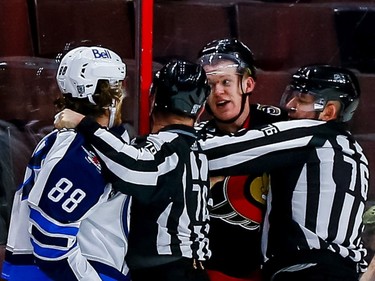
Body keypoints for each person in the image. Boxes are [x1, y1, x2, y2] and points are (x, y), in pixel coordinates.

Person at [201, 65, 368, 281]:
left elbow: (219, 154)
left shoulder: (311, 133)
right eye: (291, 95)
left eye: (302, 99)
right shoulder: (355, 152)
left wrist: (171, 142)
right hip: (344, 271)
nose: (290, 105)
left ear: (329, 111)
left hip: (306, 272)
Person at [54, 59, 212, 281]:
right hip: (183, 269)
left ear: (153, 97)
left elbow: (133, 168)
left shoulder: (169, 145)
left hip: (168, 271)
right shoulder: (192, 146)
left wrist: (84, 123)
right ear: (201, 109)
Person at [1, 46, 131, 281]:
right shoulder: (82, 151)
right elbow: (50, 241)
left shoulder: (70, 140)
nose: (124, 93)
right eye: (120, 85)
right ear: (109, 95)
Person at [195, 38, 288, 281]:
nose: (218, 92)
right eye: (210, 85)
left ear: (247, 83)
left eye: (226, 82)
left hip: (276, 268)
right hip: (214, 270)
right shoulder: (195, 140)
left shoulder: (282, 125)